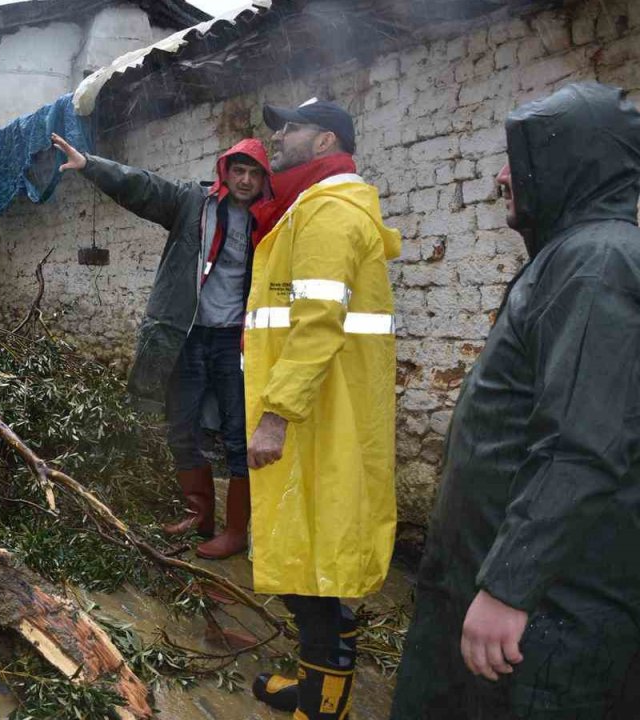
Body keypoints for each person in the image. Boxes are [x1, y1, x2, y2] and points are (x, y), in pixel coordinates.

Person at [391, 82, 640, 719]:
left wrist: (509, 586)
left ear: (571, 162)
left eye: (518, 156)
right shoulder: (573, 256)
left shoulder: (597, 264)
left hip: (548, 616)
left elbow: (579, 444)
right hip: (503, 590)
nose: (503, 175)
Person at [242, 98, 400, 720]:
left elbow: (316, 324)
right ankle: (314, 685)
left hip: (316, 418)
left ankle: (324, 705)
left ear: (325, 138)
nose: (278, 137)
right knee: (305, 558)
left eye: (292, 127)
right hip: (320, 411)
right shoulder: (311, 206)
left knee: (319, 572)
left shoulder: (330, 211)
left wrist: (277, 413)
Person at [50, 131, 269, 559]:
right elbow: (143, 187)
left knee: (238, 433)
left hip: (235, 341)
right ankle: (198, 516)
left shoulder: (271, 219)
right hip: (185, 335)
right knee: (181, 426)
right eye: (238, 170)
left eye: (253, 174)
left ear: (264, 180)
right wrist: (91, 165)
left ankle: (237, 529)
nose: (244, 180)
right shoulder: (193, 203)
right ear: (225, 172)